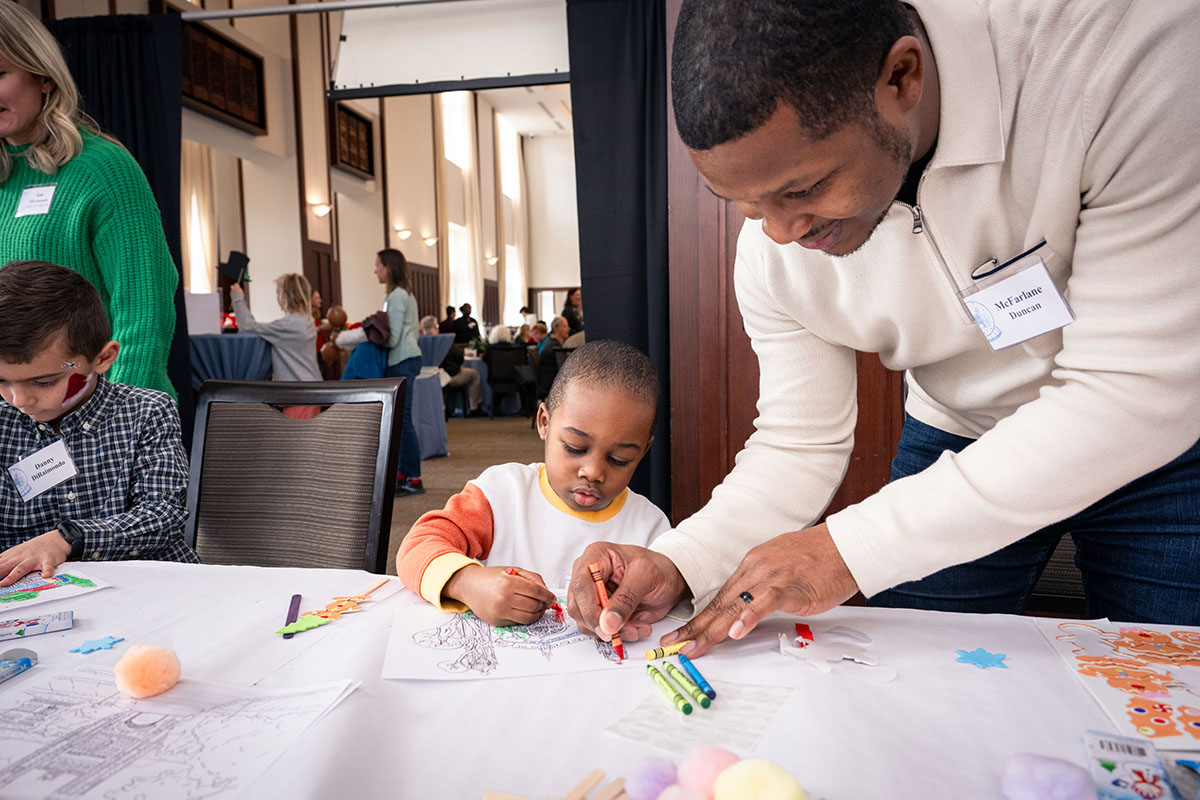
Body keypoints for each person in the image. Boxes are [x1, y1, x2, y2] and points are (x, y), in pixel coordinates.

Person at [568, 0, 1200, 650]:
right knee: (915, 679)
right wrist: (682, 560)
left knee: (1173, 695)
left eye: (803, 188)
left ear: (902, 78)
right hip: (958, 433)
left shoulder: (1121, 54)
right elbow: (800, 441)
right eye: (743, 203)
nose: (780, 234)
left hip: (1158, 441)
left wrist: (848, 549)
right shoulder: (771, 250)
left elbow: (1135, 388)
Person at [397, 340, 670, 626]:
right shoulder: (501, 493)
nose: (592, 472)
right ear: (544, 423)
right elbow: (416, 547)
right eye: (575, 448)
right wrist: (467, 582)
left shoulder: (651, 527)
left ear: (643, 452)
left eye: (619, 459)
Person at [0, 3, 177, 397]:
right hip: (17, 421)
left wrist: (112, 426)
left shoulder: (102, 170)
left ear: (43, 76)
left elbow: (144, 312)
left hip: (95, 423)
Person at [0, 261, 198, 585]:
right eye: (2, 381)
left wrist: (69, 539)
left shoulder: (146, 411)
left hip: (153, 585)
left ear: (103, 358)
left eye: (45, 382)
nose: (19, 399)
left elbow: (163, 517)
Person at [376, 248, 424, 496]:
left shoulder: (396, 296)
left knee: (403, 422)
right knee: (401, 421)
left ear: (389, 267)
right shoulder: (407, 294)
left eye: (378, 265)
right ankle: (404, 474)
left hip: (401, 359)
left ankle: (413, 478)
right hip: (408, 357)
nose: (376, 270)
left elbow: (391, 338)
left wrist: (370, 339)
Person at [230, 274, 321, 382]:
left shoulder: (288, 325)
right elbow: (280, 329)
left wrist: (238, 297)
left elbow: (246, 326)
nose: (277, 296)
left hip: (296, 389)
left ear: (285, 296)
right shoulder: (306, 320)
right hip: (312, 382)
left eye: (278, 292)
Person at [419, 314, 483, 415]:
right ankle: (473, 407)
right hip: (450, 375)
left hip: (425, 377)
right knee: (474, 374)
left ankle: (448, 407)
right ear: (436, 327)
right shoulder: (443, 341)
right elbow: (459, 357)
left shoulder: (419, 342)